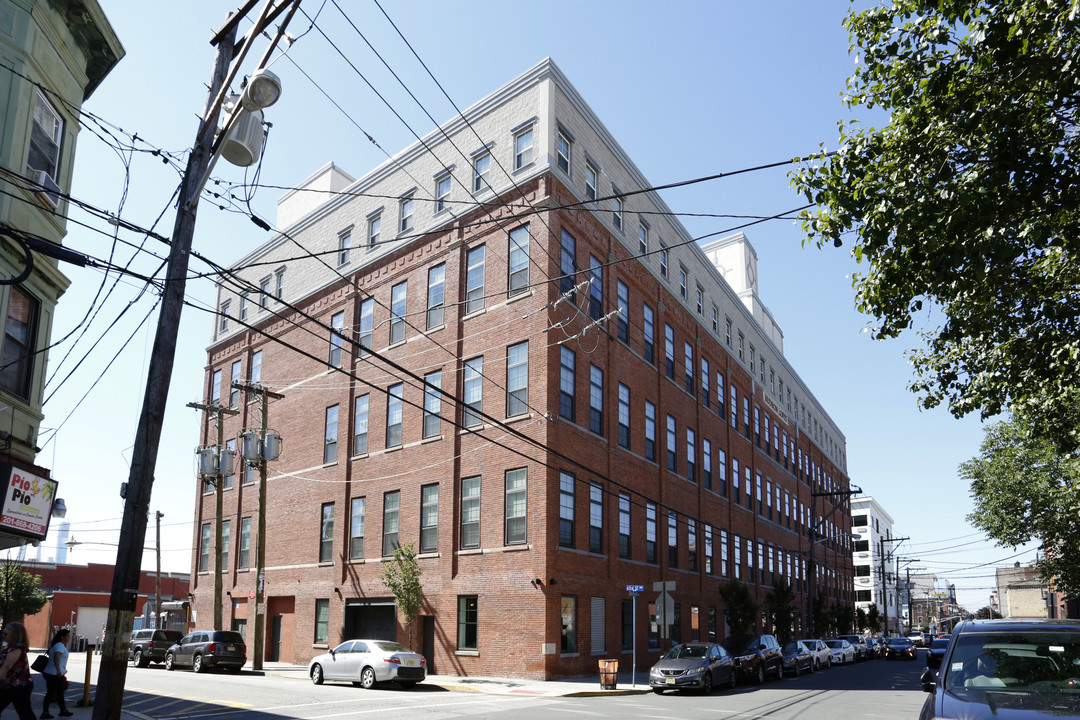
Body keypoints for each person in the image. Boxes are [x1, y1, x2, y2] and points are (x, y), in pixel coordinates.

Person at [0, 622, 36, 719]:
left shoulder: (16, 648)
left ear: (14, 634)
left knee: (25, 712)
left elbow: (6, 667)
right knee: (25, 712)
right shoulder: (10, 647)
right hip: (15, 685)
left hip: (17, 685)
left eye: (6, 632)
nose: (3, 634)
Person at [40, 628, 72, 718]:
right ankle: (46, 712)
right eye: (68, 636)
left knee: (58, 692)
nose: (69, 638)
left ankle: (62, 710)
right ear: (62, 637)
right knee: (53, 693)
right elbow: (56, 657)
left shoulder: (58, 645)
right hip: (54, 673)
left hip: (52, 673)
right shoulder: (60, 646)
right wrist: (58, 670)